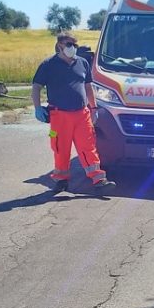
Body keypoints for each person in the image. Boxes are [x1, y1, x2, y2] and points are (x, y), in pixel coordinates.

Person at [31, 32, 116, 193]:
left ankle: (98, 178)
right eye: (69, 44)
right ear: (59, 45)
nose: (73, 48)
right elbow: (36, 86)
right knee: (60, 149)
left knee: (88, 146)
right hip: (59, 115)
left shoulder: (82, 63)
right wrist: (37, 107)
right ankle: (61, 180)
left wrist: (94, 108)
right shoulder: (48, 65)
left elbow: (88, 87)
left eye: (75, 45)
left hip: (82, 114)